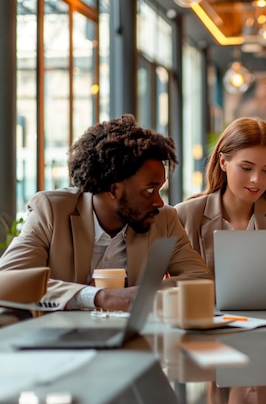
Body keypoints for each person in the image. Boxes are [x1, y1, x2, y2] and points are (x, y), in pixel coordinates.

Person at [0, 114, 211, 311]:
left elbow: (201, 280)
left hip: (131, 340)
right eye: (149, 190)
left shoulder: (163, 219)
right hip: (60, 340)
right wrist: (97, 297)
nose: (159, 201)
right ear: (113, 189)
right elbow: (8, 279)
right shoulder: (53, 211)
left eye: (159, 190)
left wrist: (138, 295)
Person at [175, 117, 266, 276]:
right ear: (222, 162)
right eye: (246, 168)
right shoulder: (187, 215)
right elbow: (180, 282)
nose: (257, 179)